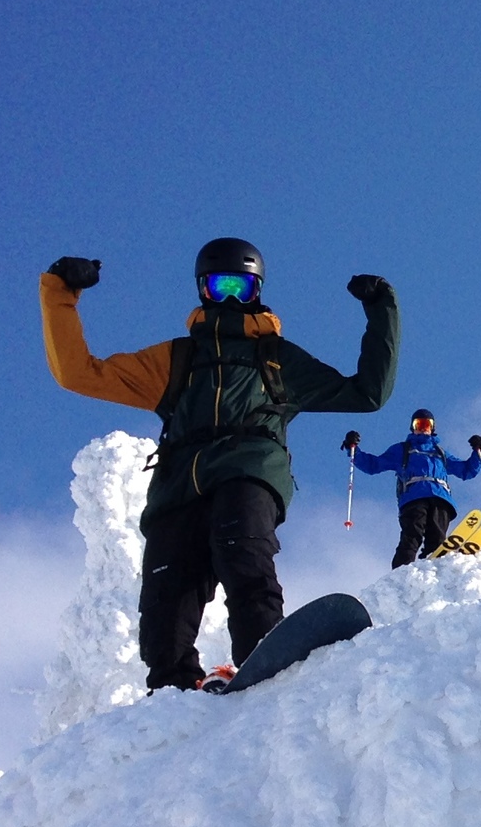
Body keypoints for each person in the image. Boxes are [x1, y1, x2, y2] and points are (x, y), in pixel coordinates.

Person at [41, 239, 398, 690]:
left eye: (242, 287)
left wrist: (380, 308)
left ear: (258, 290)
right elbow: (79, 373)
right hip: (177, 486)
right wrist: (60, 292)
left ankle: (262, 652)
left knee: (242, 551)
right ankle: (174, 689)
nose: (231, 297)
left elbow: (367, 393)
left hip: (248, 468)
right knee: (165, 599)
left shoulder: (276, 358)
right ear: (203, 290)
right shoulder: (176, 359)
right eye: (220, 285)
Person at [344, 411, 481, 566]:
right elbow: (373, 465)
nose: (423, 428)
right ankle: (402, 569)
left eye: (427, 425)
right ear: (412, 427)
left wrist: (478, 451)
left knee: (437, 536)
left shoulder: (440, 453)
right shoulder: (402, 450)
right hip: (414, 497)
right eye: (419, 424)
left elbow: (466, 470)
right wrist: (353, 449)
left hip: (441, 498)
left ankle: (434, 564)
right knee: (412, 534)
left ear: (433, 428)